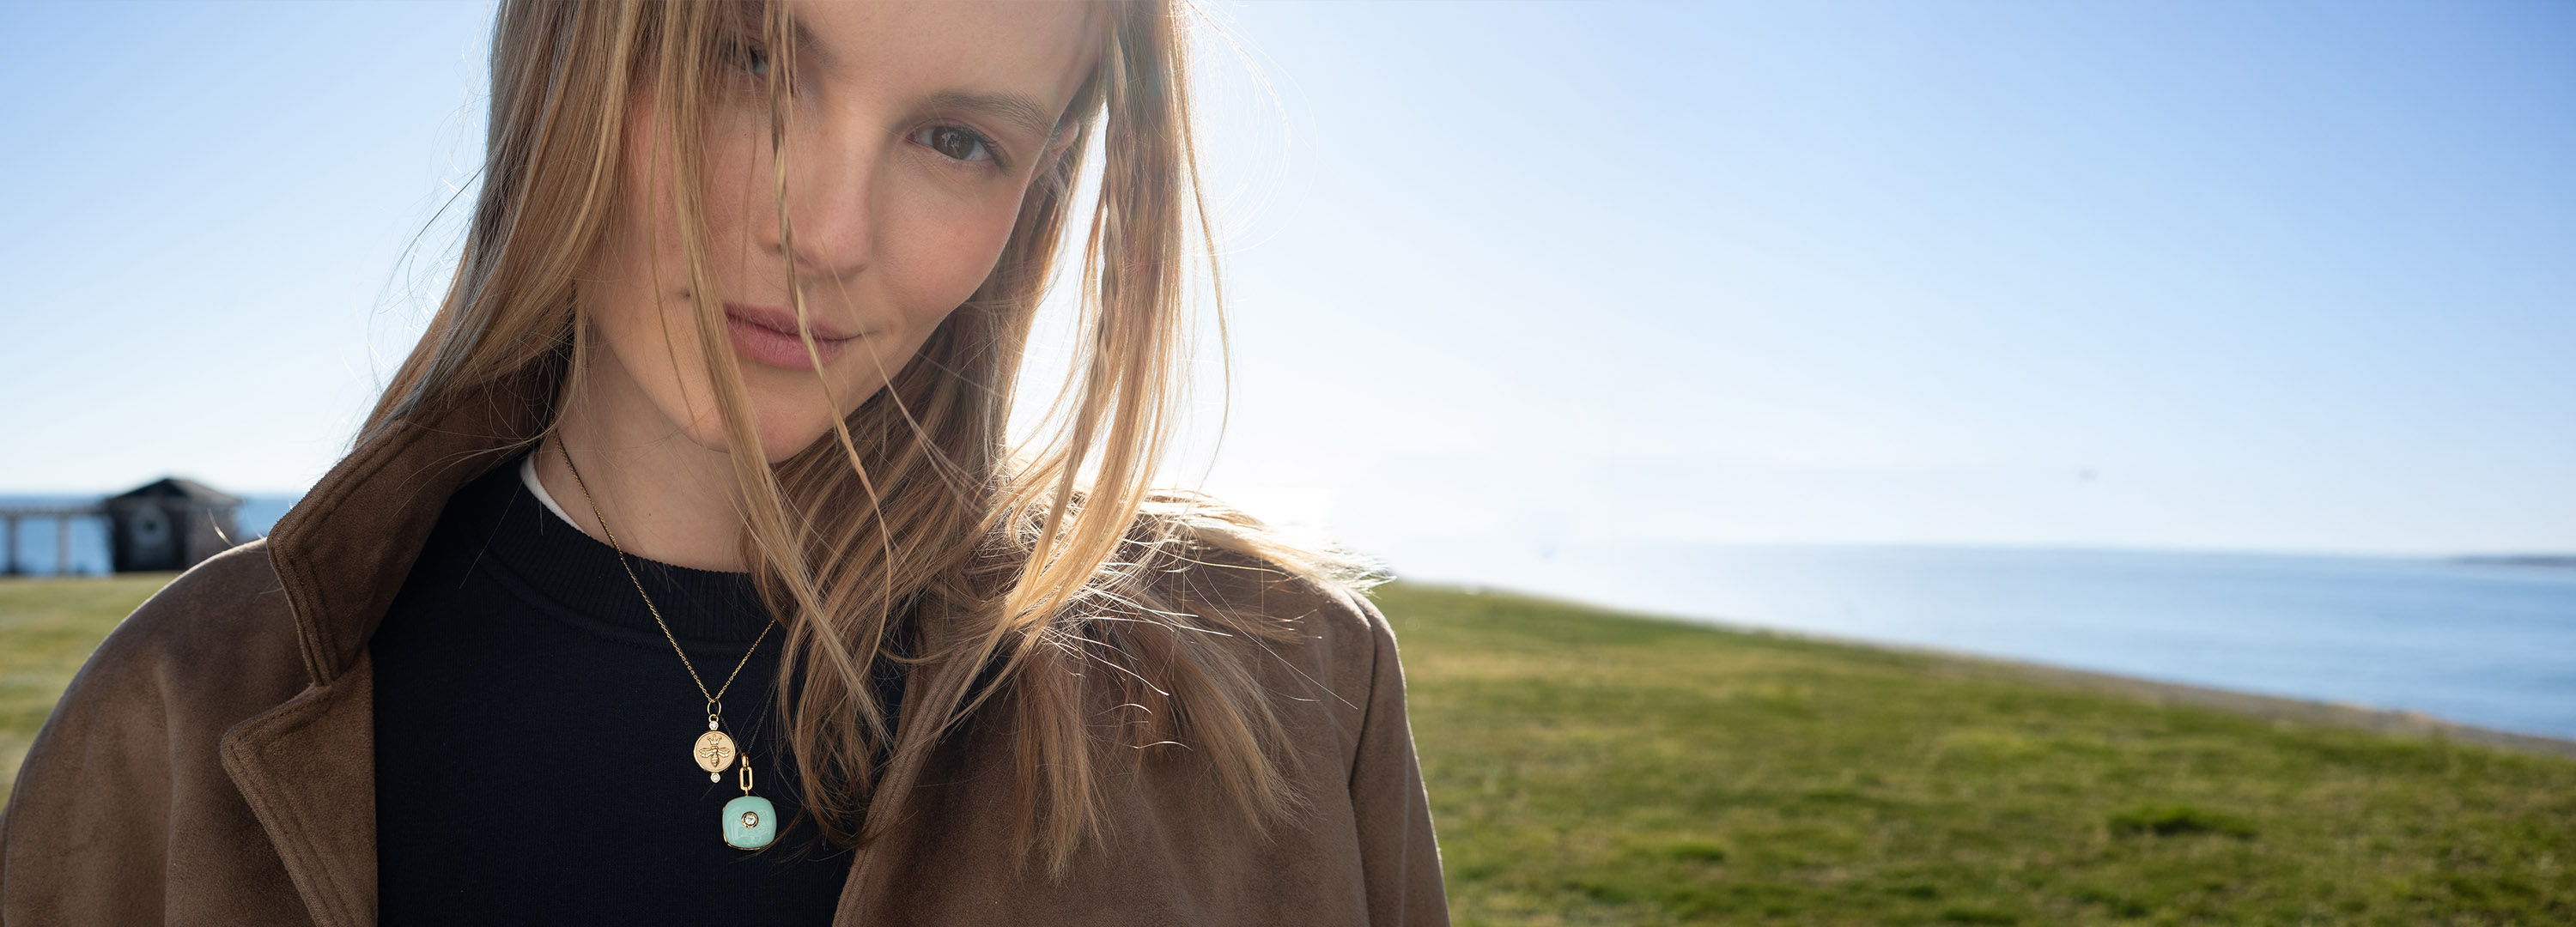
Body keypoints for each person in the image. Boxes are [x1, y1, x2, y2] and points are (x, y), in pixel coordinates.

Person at [0, 1, 1450, 924]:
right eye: (749, 57)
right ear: (574, 43)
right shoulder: (182, 705)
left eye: (956, 138)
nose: (824, 230)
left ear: (1041, 195)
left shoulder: (1294, 687)